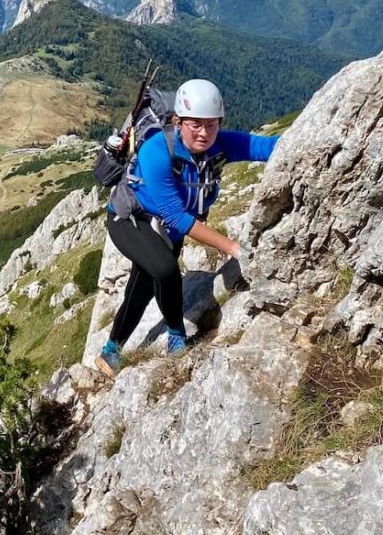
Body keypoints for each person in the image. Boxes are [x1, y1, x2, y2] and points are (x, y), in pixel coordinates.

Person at [95, 78, 279, 379]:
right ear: (179, 121)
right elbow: (176, 215)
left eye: (211, 125)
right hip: (130, 219)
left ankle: (111, 349)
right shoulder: (157, 150)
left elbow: (264, 146)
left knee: (142, 285)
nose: (204, 133)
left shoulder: (219, 144)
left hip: (168, 229)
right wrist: (232, 247)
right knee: (165, 270)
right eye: (195, 124)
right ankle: (176, 334)